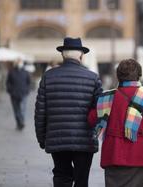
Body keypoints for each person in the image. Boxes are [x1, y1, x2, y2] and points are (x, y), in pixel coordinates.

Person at [34, 37, 103, 187]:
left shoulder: (48, 77)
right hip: (84, 140)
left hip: (57, 138)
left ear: (63, 55)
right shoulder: (93, 78)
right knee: (81, 180)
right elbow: (100, 111)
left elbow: (40, 111)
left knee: (61, 176)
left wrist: (41, 138)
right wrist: (96, 134)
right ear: (81, 55)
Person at [88, 59, 143, 187]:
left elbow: (92, 119)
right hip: (141, 154)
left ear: (118, 76)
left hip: (114, 154)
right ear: (139, 76)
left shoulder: (107, 97)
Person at [6, 59, 31, 130]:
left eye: (20, 62)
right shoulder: (11, 72)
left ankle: (22, 122)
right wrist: (10, 90)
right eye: (18, 62)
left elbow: (29, 82)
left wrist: (27, 90)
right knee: (16, 110)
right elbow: (8, 82)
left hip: (23, 94)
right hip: (14, 94)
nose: (19, 63)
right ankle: (19, 123)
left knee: (23, 109)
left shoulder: (25, 72)